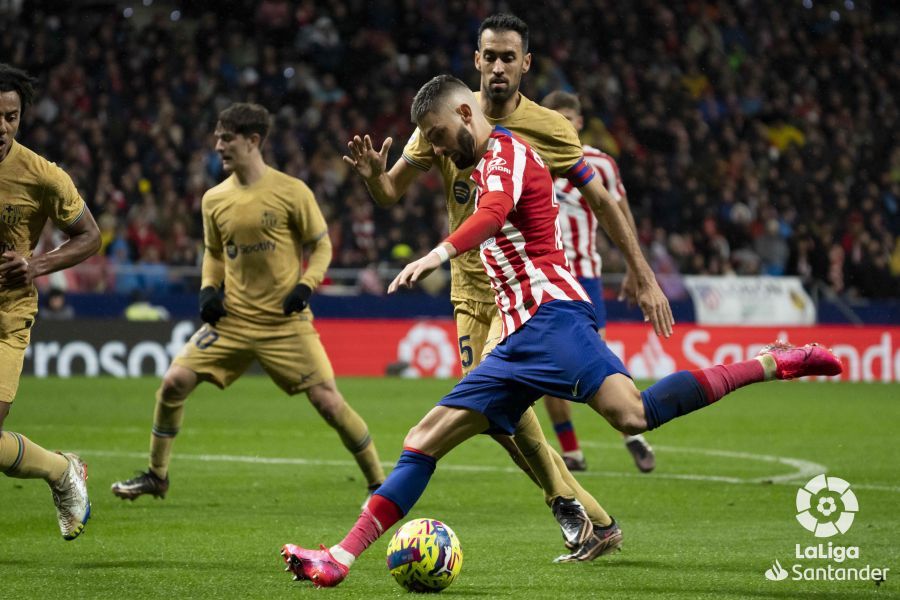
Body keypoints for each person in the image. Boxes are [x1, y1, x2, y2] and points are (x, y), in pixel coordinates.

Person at [280, 75, 842, 588]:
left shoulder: (507, 153)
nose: (439, 148)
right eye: (430, 139)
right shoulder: (474, 160)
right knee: (422, 440)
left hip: (552, 317)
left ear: (465, 113)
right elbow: (416, 192)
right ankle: (340, 559)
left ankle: (775, 361)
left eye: (441, 134)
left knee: (632, 414)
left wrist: (437, 254)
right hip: (514, 339)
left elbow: (495, 213)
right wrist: (383, 181)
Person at [343, 14, 627, 559]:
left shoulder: (548, 127)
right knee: (500, 416)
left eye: (507, 57)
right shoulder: (443, 116)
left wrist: (637, 269)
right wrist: (375, 178)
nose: (497, 65)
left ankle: (570, 508)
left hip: (524, 289)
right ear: (476, 61)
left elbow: (597, 198)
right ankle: (593, 518)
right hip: (469, 291)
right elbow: (390, 193)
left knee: (497, 401)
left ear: (525, 63)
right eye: (488, 56)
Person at [111, 103, 385, 502]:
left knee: (328, 402)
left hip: (285, 324)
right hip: (234, 320)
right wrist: (208, 289)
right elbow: (214, 252)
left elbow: (321, 245)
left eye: (226, 138)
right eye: (217, 137)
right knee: (173, 383)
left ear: (253, 141)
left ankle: (380, 485)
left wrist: (306, 285)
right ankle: (157, 474)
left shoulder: (291, 191)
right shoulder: (214, 199)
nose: (217, 145)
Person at [0, 63, 100, 540]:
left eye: (10, 117)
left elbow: (90, 237)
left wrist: (35, 266)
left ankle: (60, 471)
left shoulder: (40, 175)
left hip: (7, 315)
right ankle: (61, 470)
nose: (2, 127)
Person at [540, 90, 655, 473]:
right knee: (544, 366)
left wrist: (635, 268)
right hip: (543, 275)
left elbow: (619, 214)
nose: (563, 125)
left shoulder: (601, 164)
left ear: (579, 122)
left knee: (597, 357)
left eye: (569, 119)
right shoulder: (528, 157)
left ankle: (632, 431)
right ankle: (571, 451)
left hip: (585, 273)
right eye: (555, 118)